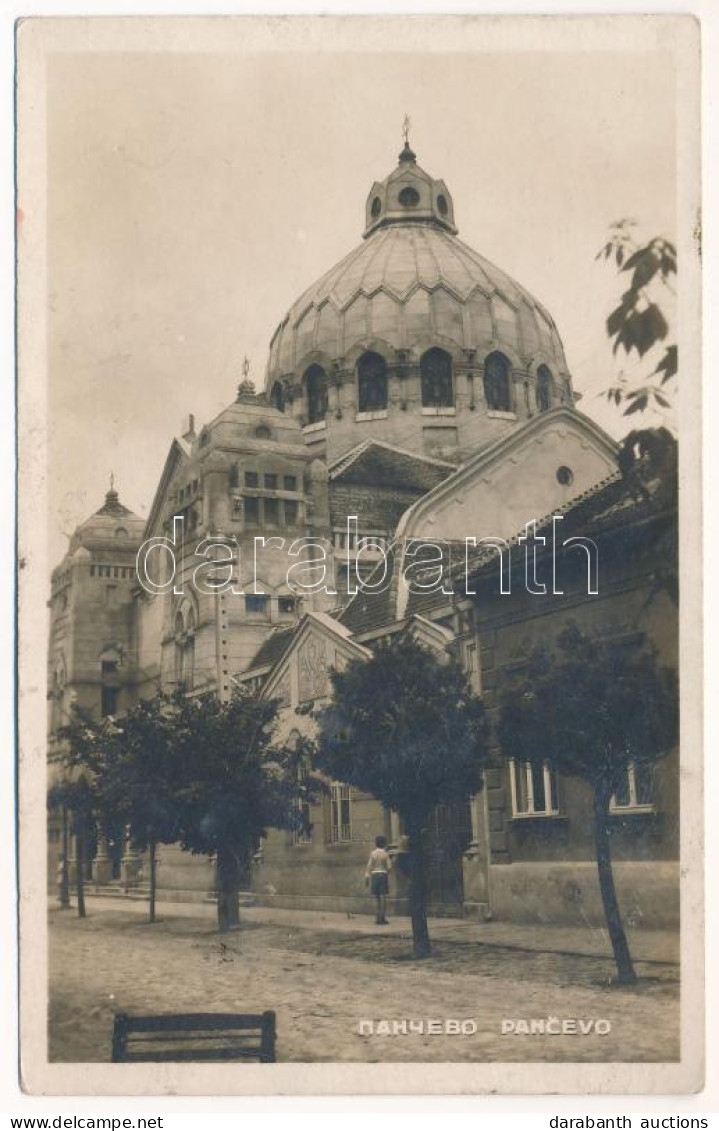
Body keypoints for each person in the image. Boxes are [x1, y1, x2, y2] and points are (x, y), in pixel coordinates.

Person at [364, 835, 391, 925]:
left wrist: (367, 877)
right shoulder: (385, 854)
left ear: (376, 843)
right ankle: (382, 918)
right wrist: (387, 872)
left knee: (377, 898)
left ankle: (377, 917)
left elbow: (369, 866)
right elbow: (389, 867)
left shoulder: (373, 854)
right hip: (383, 875)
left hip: (375, 875)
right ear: (384, 844)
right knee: (383, 897)